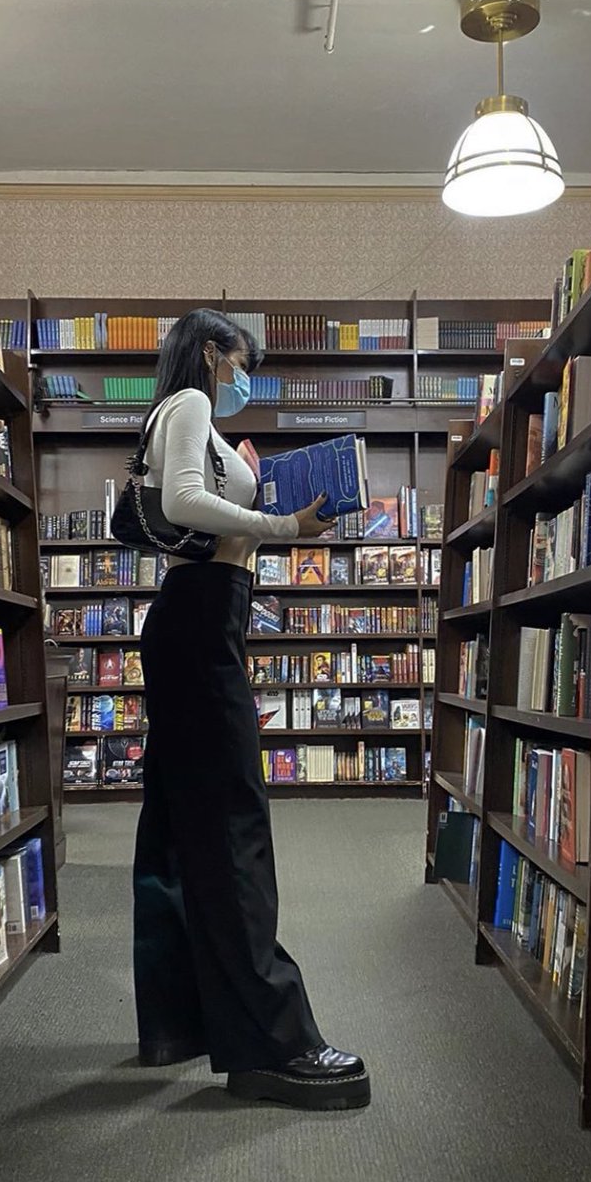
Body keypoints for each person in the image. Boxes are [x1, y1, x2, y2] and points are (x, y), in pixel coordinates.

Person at [131, 308, 371, 1111]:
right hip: (202, 624)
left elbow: (201, 513)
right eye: (242, 362)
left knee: (178, 826)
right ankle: (272, 1044)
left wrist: (263, 501)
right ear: (210, 353)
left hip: (195, 617)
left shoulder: (186, 417)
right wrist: (282, 521)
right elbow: (185, 503)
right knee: (234, 825)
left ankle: (181, 1018)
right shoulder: (191, 402)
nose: (246, 377)